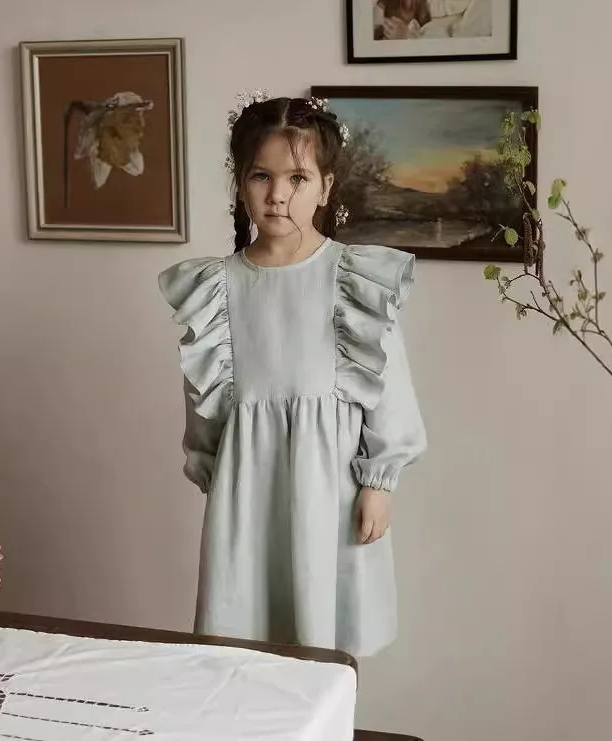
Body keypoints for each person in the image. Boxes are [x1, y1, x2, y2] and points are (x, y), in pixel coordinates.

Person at [158, 95, 427, 657]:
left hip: (331, 493)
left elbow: (389, 390)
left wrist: (379, 484)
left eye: (297, 178)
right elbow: (204, 404)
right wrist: (217, 474)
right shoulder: (217, 287)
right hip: (246, 495)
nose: (277, 194)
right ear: (241, 184)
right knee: (243, 647)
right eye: (262, 176)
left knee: (325, 644)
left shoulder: (352, 280)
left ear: (325, 187)